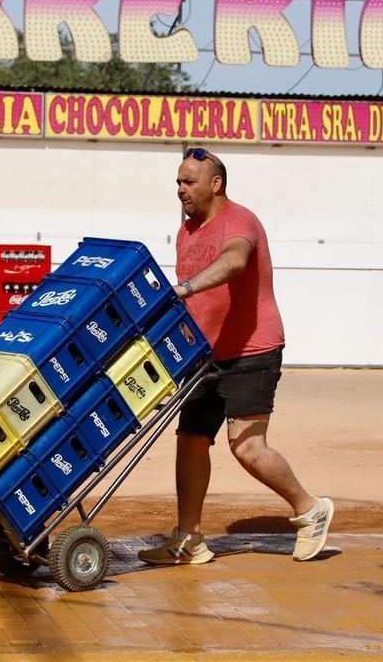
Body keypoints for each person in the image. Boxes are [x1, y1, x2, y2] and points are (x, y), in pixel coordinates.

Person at [138, 147, 334, 565]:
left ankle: (310, 510)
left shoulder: (239, 221)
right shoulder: (188, 231)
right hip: (205, 355)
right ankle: (189, 539)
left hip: (252, 349)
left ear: (216, 183)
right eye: (177, 182)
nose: (180, 190)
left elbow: (234, 261)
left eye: (189, 182)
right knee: (191, 440)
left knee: (246, 446)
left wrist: (187, 287)